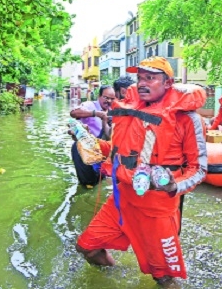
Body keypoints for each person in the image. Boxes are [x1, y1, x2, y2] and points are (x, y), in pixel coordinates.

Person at [75, 56, 207, 286]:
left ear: (168, 83)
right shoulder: (128, 111)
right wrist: (87, 140)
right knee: (86, 247)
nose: (142, 83)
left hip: (156, 208)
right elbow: (116, 154)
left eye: (150, 78)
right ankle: (113, 278)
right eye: (140, 78)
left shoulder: (187, 119)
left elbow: (199, 169)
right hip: (122, 200)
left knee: (164, 278)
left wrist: (175, 186)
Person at [69, 85, 116, 186]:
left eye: (112, 99)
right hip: (85, 149)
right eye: (106, 97)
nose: (109, 101)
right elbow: (73, 113)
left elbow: (109, 137)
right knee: (87, 183)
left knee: (100, 180)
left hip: (101, 151)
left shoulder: (113, 111)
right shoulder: (89, 105)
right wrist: (96, 113)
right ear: (99, 96)